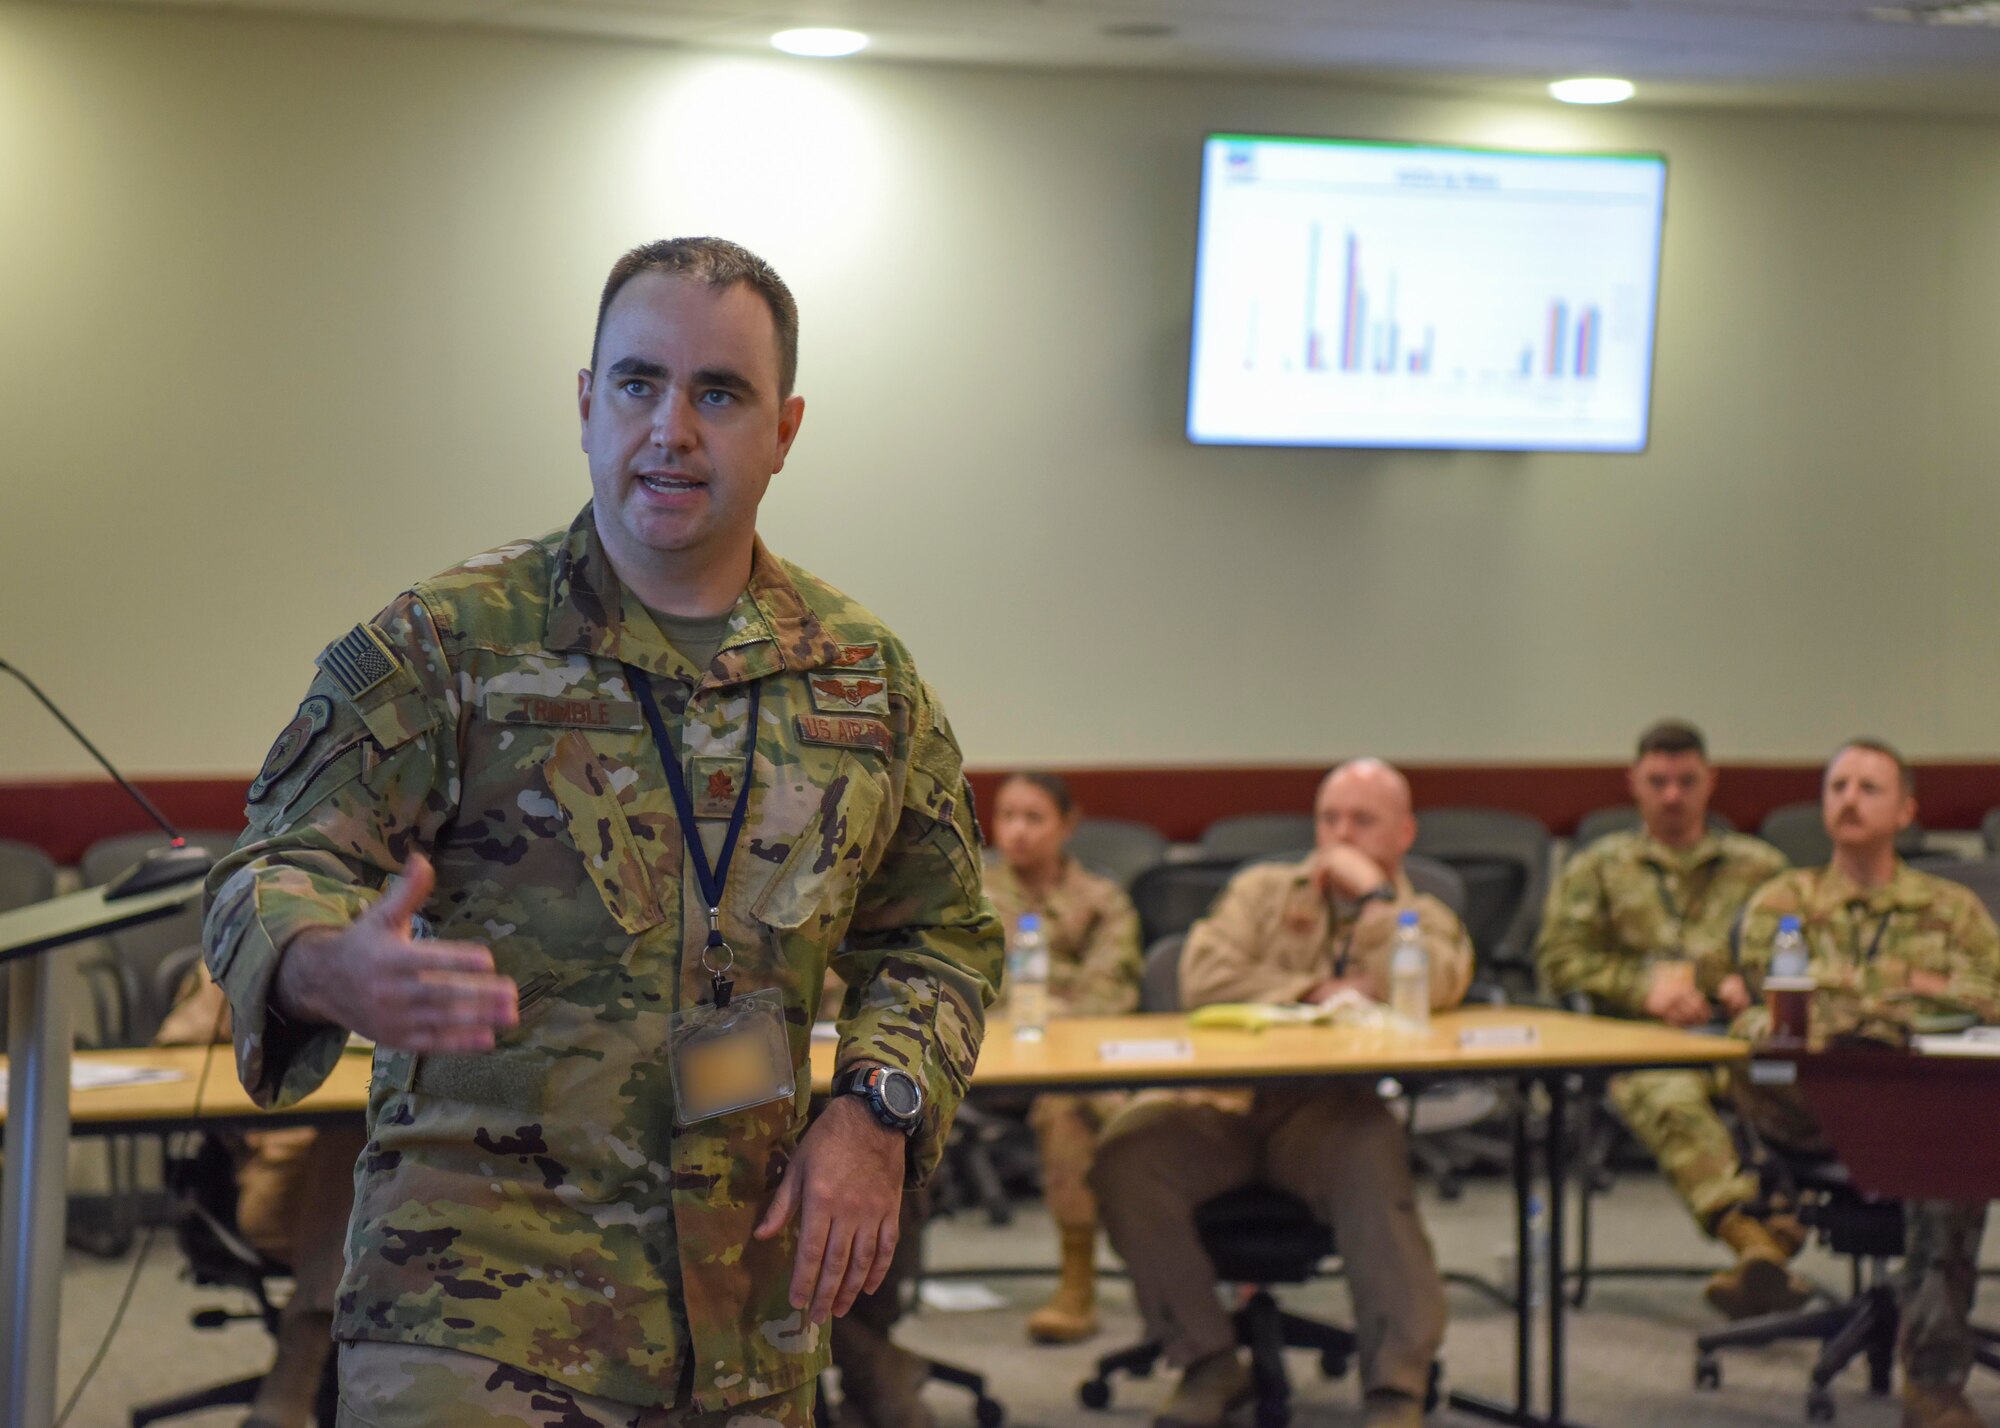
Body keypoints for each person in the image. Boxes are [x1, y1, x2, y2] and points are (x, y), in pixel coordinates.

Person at [200, 237, 1004, 1428]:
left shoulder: (861, 680)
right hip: (475, 1315)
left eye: (717, 393)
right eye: (638, 384)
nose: (670, 430)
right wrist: (328, 962)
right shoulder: (450, 644)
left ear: (782, 431)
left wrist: (877, 1110)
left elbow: (936, 937)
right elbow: (271, 865)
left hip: (747, 1318)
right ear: (587, 405)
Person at [1089, 759, 1473, 1428]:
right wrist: (1310, 994)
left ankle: (1396, 1386)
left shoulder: (1424, 915)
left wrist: (1378, 902)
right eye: (1329, 819)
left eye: (1363, 820)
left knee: (1370, 1145)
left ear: (1404, 832)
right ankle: (1208, 1361)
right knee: (1128, 1153)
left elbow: (1432, 982)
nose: (1340, 835)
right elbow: (1203, 978)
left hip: (1326, 1114)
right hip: (1223, 1105)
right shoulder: (1261, 890)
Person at [1733, 740, 2000, 1428]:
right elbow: (1778, 1006)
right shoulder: (1780, 900)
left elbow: (1991, 999)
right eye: (1838, 785)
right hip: (1809, 1106)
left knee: (1949, 1150)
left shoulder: (1953, 906)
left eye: (1869, 787)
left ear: (1907, 810)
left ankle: (1934, 1385)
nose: (1849, 798)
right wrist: (1917, 989)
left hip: (1920, 1105)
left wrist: (1851, 999)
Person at [1535, 719, 1800, 1318]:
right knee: (1671, 1101)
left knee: (1806, 1095)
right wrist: (1641, 986)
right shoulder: (1599, 868)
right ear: (1635, 783)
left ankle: (1779, 1237)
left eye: (1686, 781)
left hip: (1741, 1041)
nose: (1672, 796)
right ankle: (1751, 1238)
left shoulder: (1760, 868)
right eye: (1658, 782)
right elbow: (1557, 960)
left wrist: (1748, 985)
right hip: (1645, 1047)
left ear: (1710, 782)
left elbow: (1802, 950)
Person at [156, 965, 366, 1428]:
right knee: (356, 1136)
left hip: (418, 1195)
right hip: (280, 1177)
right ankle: (306, 1341)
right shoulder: (270, 932)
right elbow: (176, 1054)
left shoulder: (435, 937)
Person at [981, 772, 1142, 1343]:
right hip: (985, 1064)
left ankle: (1078, 1284)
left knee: (1067, 1101)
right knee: (1099, 1103)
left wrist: (1044, 1010)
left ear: (1067, 825)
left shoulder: (1102, 900)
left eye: (1034, 818)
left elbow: (1109, 993)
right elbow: (963, 985)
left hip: (1071, 1062)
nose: (1016, 832)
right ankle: (1134, 1131)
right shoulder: (966, 896)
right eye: (1006, 817)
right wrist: (1043, 1004)